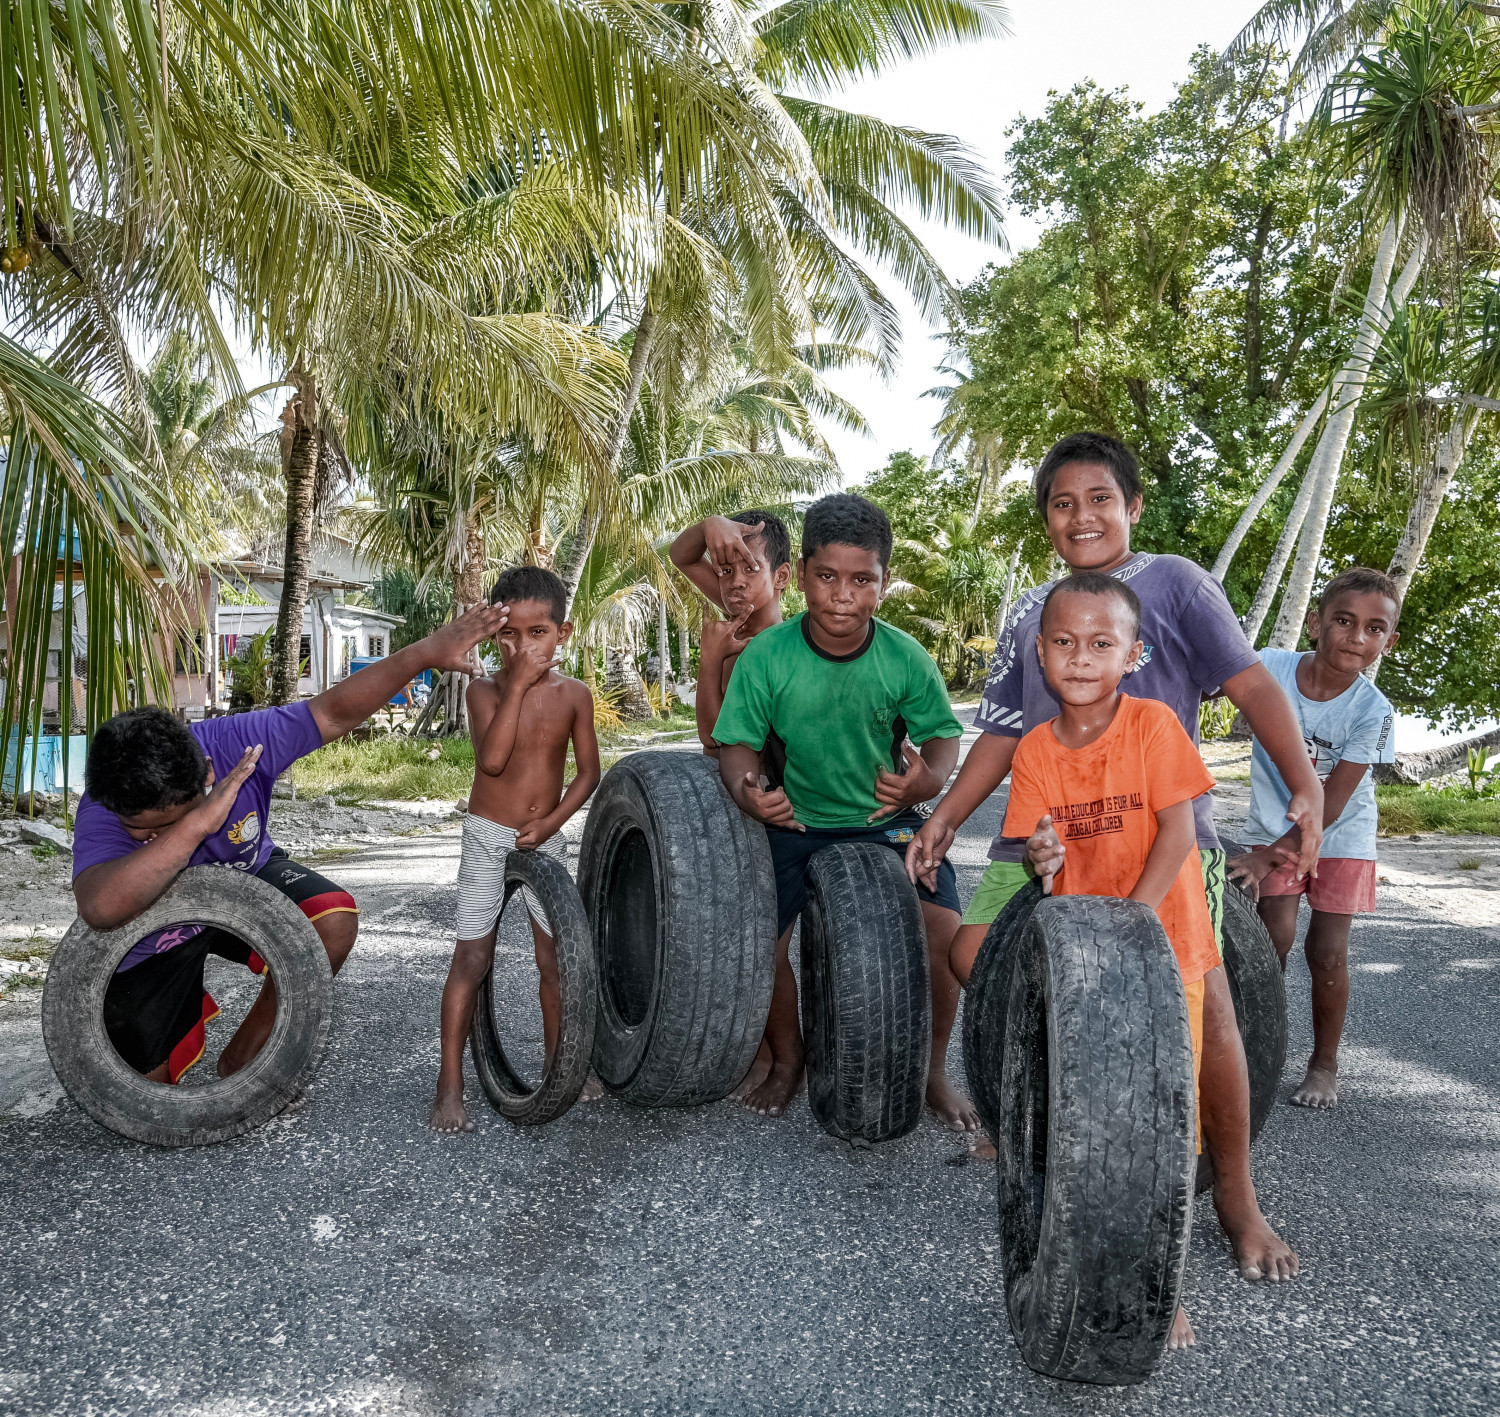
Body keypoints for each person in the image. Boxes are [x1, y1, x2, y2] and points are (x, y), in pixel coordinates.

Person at [907, 431, 1318, 1283]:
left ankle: (1237, 1196)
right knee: (975, 953)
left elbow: (1250, 686)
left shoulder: (1175, 583)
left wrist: (1306, 786)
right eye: (1062, 503)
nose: (1082, 515)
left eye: (1100, 498)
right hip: (1049, 845)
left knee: (1203, 1017)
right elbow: (1005, 734)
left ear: (1132, 507)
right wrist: (946, 814)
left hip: (1164, 842)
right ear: (1046, 520)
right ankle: (1051, 1125)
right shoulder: (1031, 612)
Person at [73, 602, 510, 1086]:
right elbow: (98, 907)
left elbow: (333, 712)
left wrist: (425, 652)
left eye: (165, 823)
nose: (149, 836)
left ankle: (244, 1059)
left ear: (208, 775)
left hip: (246, 886)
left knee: (332, 920)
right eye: (140, 831)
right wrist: (195, 825)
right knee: (144, 1087)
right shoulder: (109, 798)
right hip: (156, 931)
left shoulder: (237, 743)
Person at [711, 492, 975, 1129]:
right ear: (800, 577)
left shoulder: (905, 657)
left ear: (883, 585)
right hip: (795, 821)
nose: (841, 596)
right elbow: (737, 746)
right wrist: (750, 789)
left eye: (862, 581)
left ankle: (933, 1069)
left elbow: (942, 739)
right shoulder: (767, 657)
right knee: (765, 945)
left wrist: (925, 783)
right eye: (826, 577)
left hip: (885, 820)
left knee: (943, 932)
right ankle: (789, 1059)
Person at [1006, 572, 1220, 1351]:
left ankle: (1166, 1290)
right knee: (1088, 1124)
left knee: (1164, 1133)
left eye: (1102, 643)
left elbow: (1178, 832)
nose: (1082, 657)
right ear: (1041, 653)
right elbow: (1040, 853)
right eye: (1064, 642)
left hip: (1167, 956)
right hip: (1080, 972)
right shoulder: (1034, 750)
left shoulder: (1155, 725)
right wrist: (1039, 853)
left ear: (1135, 653)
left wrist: (1135, 918)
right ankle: (1085, 1266)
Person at [430, 567, 601, 1134]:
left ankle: (561, 1067)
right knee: (473, 959)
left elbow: (588, 774)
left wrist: (553, 823)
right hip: (488, 837)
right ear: (493, 635)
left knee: (555, 961)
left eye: (537, 633)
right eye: (509, 634)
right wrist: (520, 685)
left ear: (563, 634)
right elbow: (492, 762)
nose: (522, 647)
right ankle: (449, 1083)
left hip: (544, 839)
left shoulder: (575, 694)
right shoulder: (482, 691)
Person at [1229, 567, 1400, 1110]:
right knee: (1271, 939)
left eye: (1375, 629)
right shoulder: (1268, 668)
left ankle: (1324, 1064)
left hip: (1341, 835)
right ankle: (1259, 1051)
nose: (1357, 637)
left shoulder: (1373, 711)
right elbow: (1202, 684)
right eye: (1345, 621)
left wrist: (1261, 858)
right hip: (1271, 826)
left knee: (1326, 952)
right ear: (1314, 623)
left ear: (1388, 642)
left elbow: (1333, 802)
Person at [668, 511, 793, 755]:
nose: (736, 581)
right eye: (725, 571)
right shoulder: (740, 612)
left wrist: (711, 659)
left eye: (751, 568)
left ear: (781, 576)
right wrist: (709, 525)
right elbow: (682, 556)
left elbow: (714, 738)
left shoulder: (777, 648)